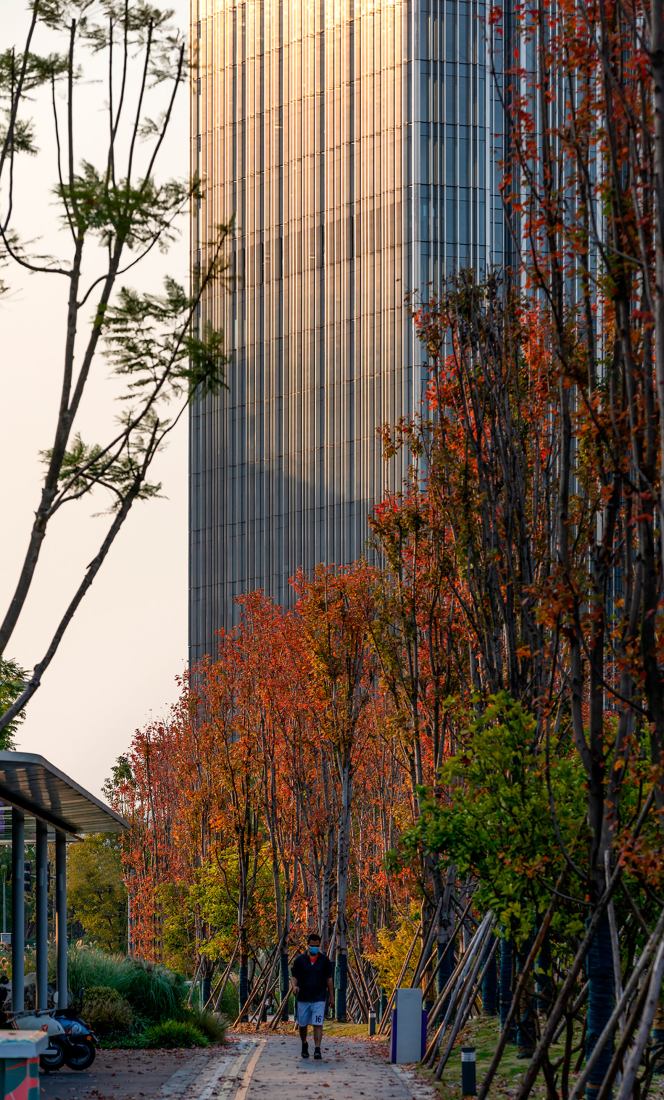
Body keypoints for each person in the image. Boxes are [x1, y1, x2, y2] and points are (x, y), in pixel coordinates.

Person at [290, 932, 334, 1060]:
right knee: (302, 1025)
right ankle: (304, 1044)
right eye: (312, 945)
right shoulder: (299, 960)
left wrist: (332, 997)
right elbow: (294, 976)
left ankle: (317, 1049)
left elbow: (329, 980)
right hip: (303, 998)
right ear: (308, 945)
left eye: (317, 946)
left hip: (319, 998)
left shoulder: (325, 961)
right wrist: (294, 986)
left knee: (318, 1023)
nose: (314, 948)